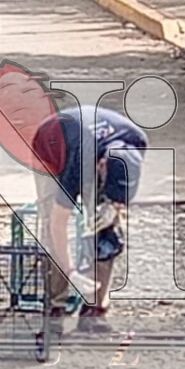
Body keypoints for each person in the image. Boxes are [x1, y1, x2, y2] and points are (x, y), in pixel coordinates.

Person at [30, 104, 148, 334]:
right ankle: (55, 309)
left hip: (91, 144)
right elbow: (58, 223)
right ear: (100, 165)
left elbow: (121, 194)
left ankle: (94, 311)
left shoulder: (137, 142)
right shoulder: (78, 161)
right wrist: (70, 270)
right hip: (51, 146)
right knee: (51, 227)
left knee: (109, 232)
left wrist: (113, 208)